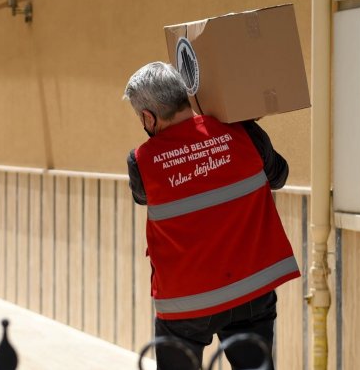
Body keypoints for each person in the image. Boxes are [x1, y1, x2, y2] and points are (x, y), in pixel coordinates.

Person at [123, 62, 300, 370]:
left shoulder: (142, 162)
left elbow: (142, 197)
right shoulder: (243, 131)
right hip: (251, 290)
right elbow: (279, 176)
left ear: (148, 117)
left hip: (185, 303)